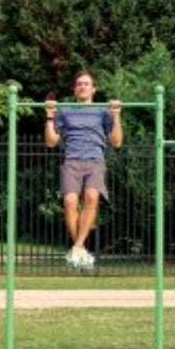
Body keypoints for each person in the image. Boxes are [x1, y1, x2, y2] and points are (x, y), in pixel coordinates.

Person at [44, 70, 123, 270]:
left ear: (93, 89)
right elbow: (51, 142)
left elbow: (117, 142)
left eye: (86, 84)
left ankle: (77, 247)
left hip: (95, 160)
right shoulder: (66, 111)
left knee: (91, 196)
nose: (83, 86)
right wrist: (50, 117)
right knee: (70, 202)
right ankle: (80, 249)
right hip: (71, 161)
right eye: (79, 84)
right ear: (74, 89)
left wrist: (116, 116)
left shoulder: (102, 111)